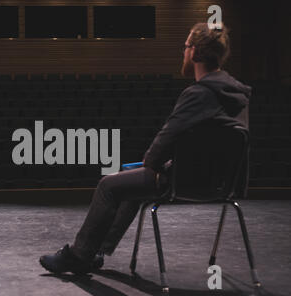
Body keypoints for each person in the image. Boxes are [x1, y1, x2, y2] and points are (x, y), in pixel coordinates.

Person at [39, 22, 251, 274]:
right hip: (223, 184)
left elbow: (166, 139)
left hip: (186, 182)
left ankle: (79, 255)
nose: (182, 52)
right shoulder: (238, 95)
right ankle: (94, 251)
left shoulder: (198, 93)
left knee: (109, 184)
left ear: (195, 52)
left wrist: (153, 163)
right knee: (130, 178)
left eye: (185, 47)